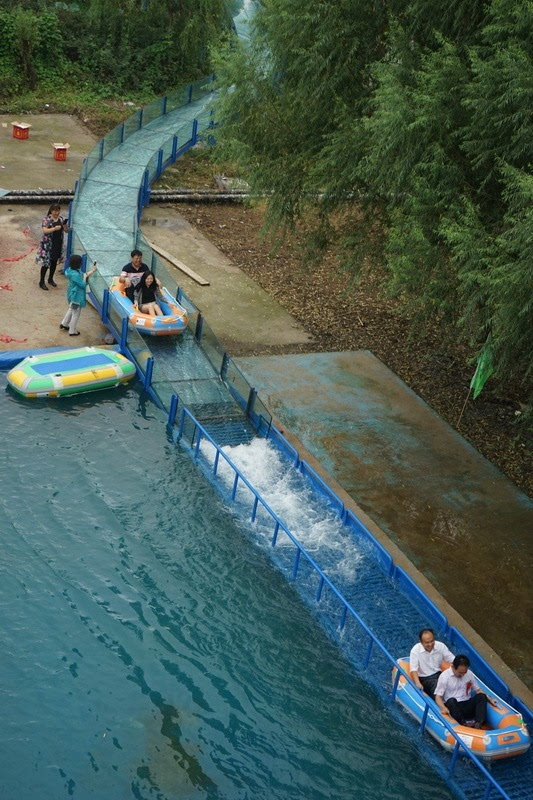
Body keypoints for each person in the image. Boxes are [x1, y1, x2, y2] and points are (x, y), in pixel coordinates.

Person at [435, 654, 493, 728]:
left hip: (466, 703)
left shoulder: (469, 674)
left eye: (464, 672)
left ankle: (479, 723)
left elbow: (478, 690)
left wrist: (489, 699)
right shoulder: (444, 677)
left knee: (481, 696)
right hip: (454, 707)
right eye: (460, 673)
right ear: (453, 667)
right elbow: (438, 697)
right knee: (451, 701)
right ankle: (463, 724)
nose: (462, 675)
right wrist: (443, 707)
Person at [409, 628, 454, 700]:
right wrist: (418, 683)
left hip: (438, 674)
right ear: (421, 642)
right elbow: (414, 669)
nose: (430, 644)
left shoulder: (440, 646)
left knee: (450, 683)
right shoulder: (415, 650)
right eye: (427, 642)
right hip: (425, 678)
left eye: (432, 641)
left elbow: (452, 659)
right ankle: (445, 704)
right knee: (436, 685)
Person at [59, 255, 97, 335]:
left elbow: (83, 275)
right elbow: (82, 284)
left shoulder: (70, 270)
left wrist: (92, 271)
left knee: (71, 309)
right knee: (76, 314)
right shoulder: (75, 275)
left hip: (71, 295)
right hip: (76, 297)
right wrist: (85, 278)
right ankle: (72, 331)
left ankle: (64, 324)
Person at [36, 203, 69, 290]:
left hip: (57, 244)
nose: (56, 213)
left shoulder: (61, 219)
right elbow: (45, 230)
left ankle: (50, 279)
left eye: (58, 211)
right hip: (48, 245)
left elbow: (66, 231)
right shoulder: (46, 220)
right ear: (51, 211)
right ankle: (41, 281)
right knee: (46, 264)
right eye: (55, 211)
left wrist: (65, 225)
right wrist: (54, 228)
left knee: (54, 262)